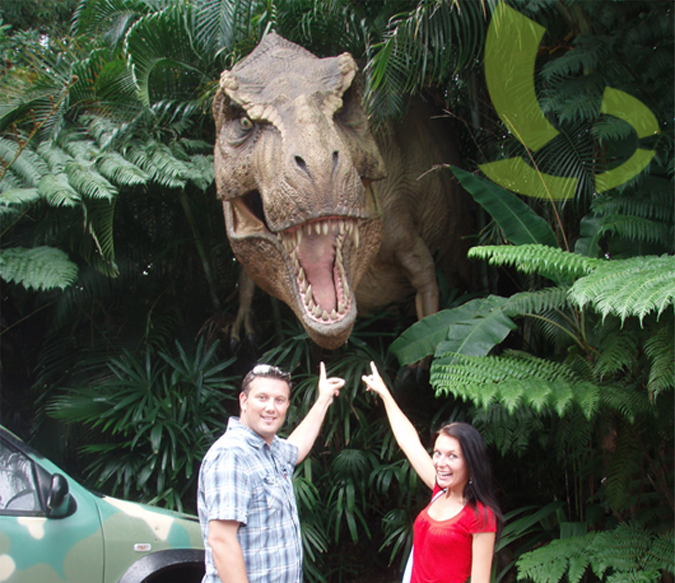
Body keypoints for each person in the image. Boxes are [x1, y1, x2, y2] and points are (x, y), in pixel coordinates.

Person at [198, 362, 344, 583]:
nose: (271, 408)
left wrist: (323, 399)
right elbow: (221, 540)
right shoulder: (232, 455)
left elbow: (296, 449)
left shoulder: (271, 448)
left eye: (279, 400)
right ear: (243, 401)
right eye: (262, 398)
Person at [361, 362, 503, 583]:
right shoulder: (440, 491)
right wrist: (384, 393)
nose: (440, 463)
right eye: (437, 453)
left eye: (452, 456)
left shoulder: (480, 515)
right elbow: (409, 442)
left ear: (471, 462)